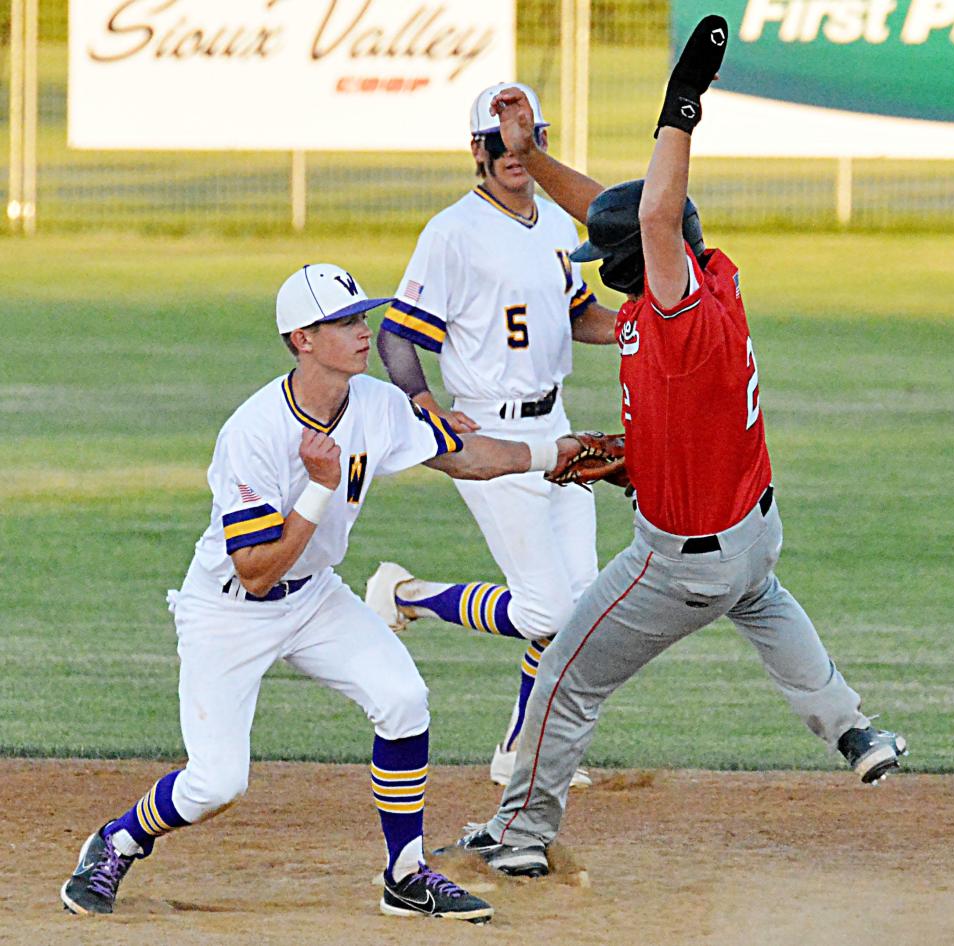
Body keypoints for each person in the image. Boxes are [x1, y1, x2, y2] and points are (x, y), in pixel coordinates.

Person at [442, 16, 908, 878]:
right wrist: (530, 156)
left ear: (638, 262)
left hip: (679, 563)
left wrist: (682, 99)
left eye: (602, 258)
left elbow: (646, 212)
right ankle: (854, 728)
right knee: (761, 598)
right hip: (750, 529)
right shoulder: (713, 280)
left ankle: (521, 836)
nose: (595, 262)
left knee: (566, 682)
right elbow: (628, 213)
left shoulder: (675, 316)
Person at [59, 263, 583, 921]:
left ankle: (405, 873)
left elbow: (468, 457)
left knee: (403, 700)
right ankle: (119, 840)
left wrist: (563, 453)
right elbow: (255, 570)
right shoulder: (252, 433)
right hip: (228, 610)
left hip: (314, 598)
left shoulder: (376, 405)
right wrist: (318, 484)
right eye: (344, 322)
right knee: (216, 782)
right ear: (302, 339)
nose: (363, 333)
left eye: (361, 318)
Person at [366, 81, 618, 789]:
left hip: (558, 427)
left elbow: (579, 315)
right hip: (490, 432)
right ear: (476, 150)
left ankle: (516, 749)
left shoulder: (556, 225)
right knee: (546, 607)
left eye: (527, 137)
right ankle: (406, 594)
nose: (515, 153)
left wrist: (638, 333)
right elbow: (397, 333)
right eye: (500, 140)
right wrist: (422, 403)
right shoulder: (453, 232)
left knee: (582, 602)